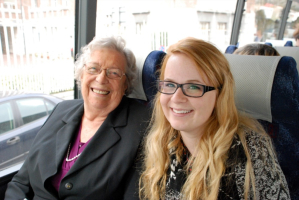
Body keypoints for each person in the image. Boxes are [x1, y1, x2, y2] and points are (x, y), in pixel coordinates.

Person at [139, 38, 290, 200]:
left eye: (194, 87)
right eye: (169, 85)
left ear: (220, 94)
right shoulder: (163, 141)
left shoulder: (248, 148)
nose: (176, 98)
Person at [5, 36, 150, 200]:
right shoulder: (61, 110)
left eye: (114, 72)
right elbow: (21, 182)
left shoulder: (142, 125)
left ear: (126, 84)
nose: (101, 78)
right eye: (93, 69)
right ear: (81, 74)